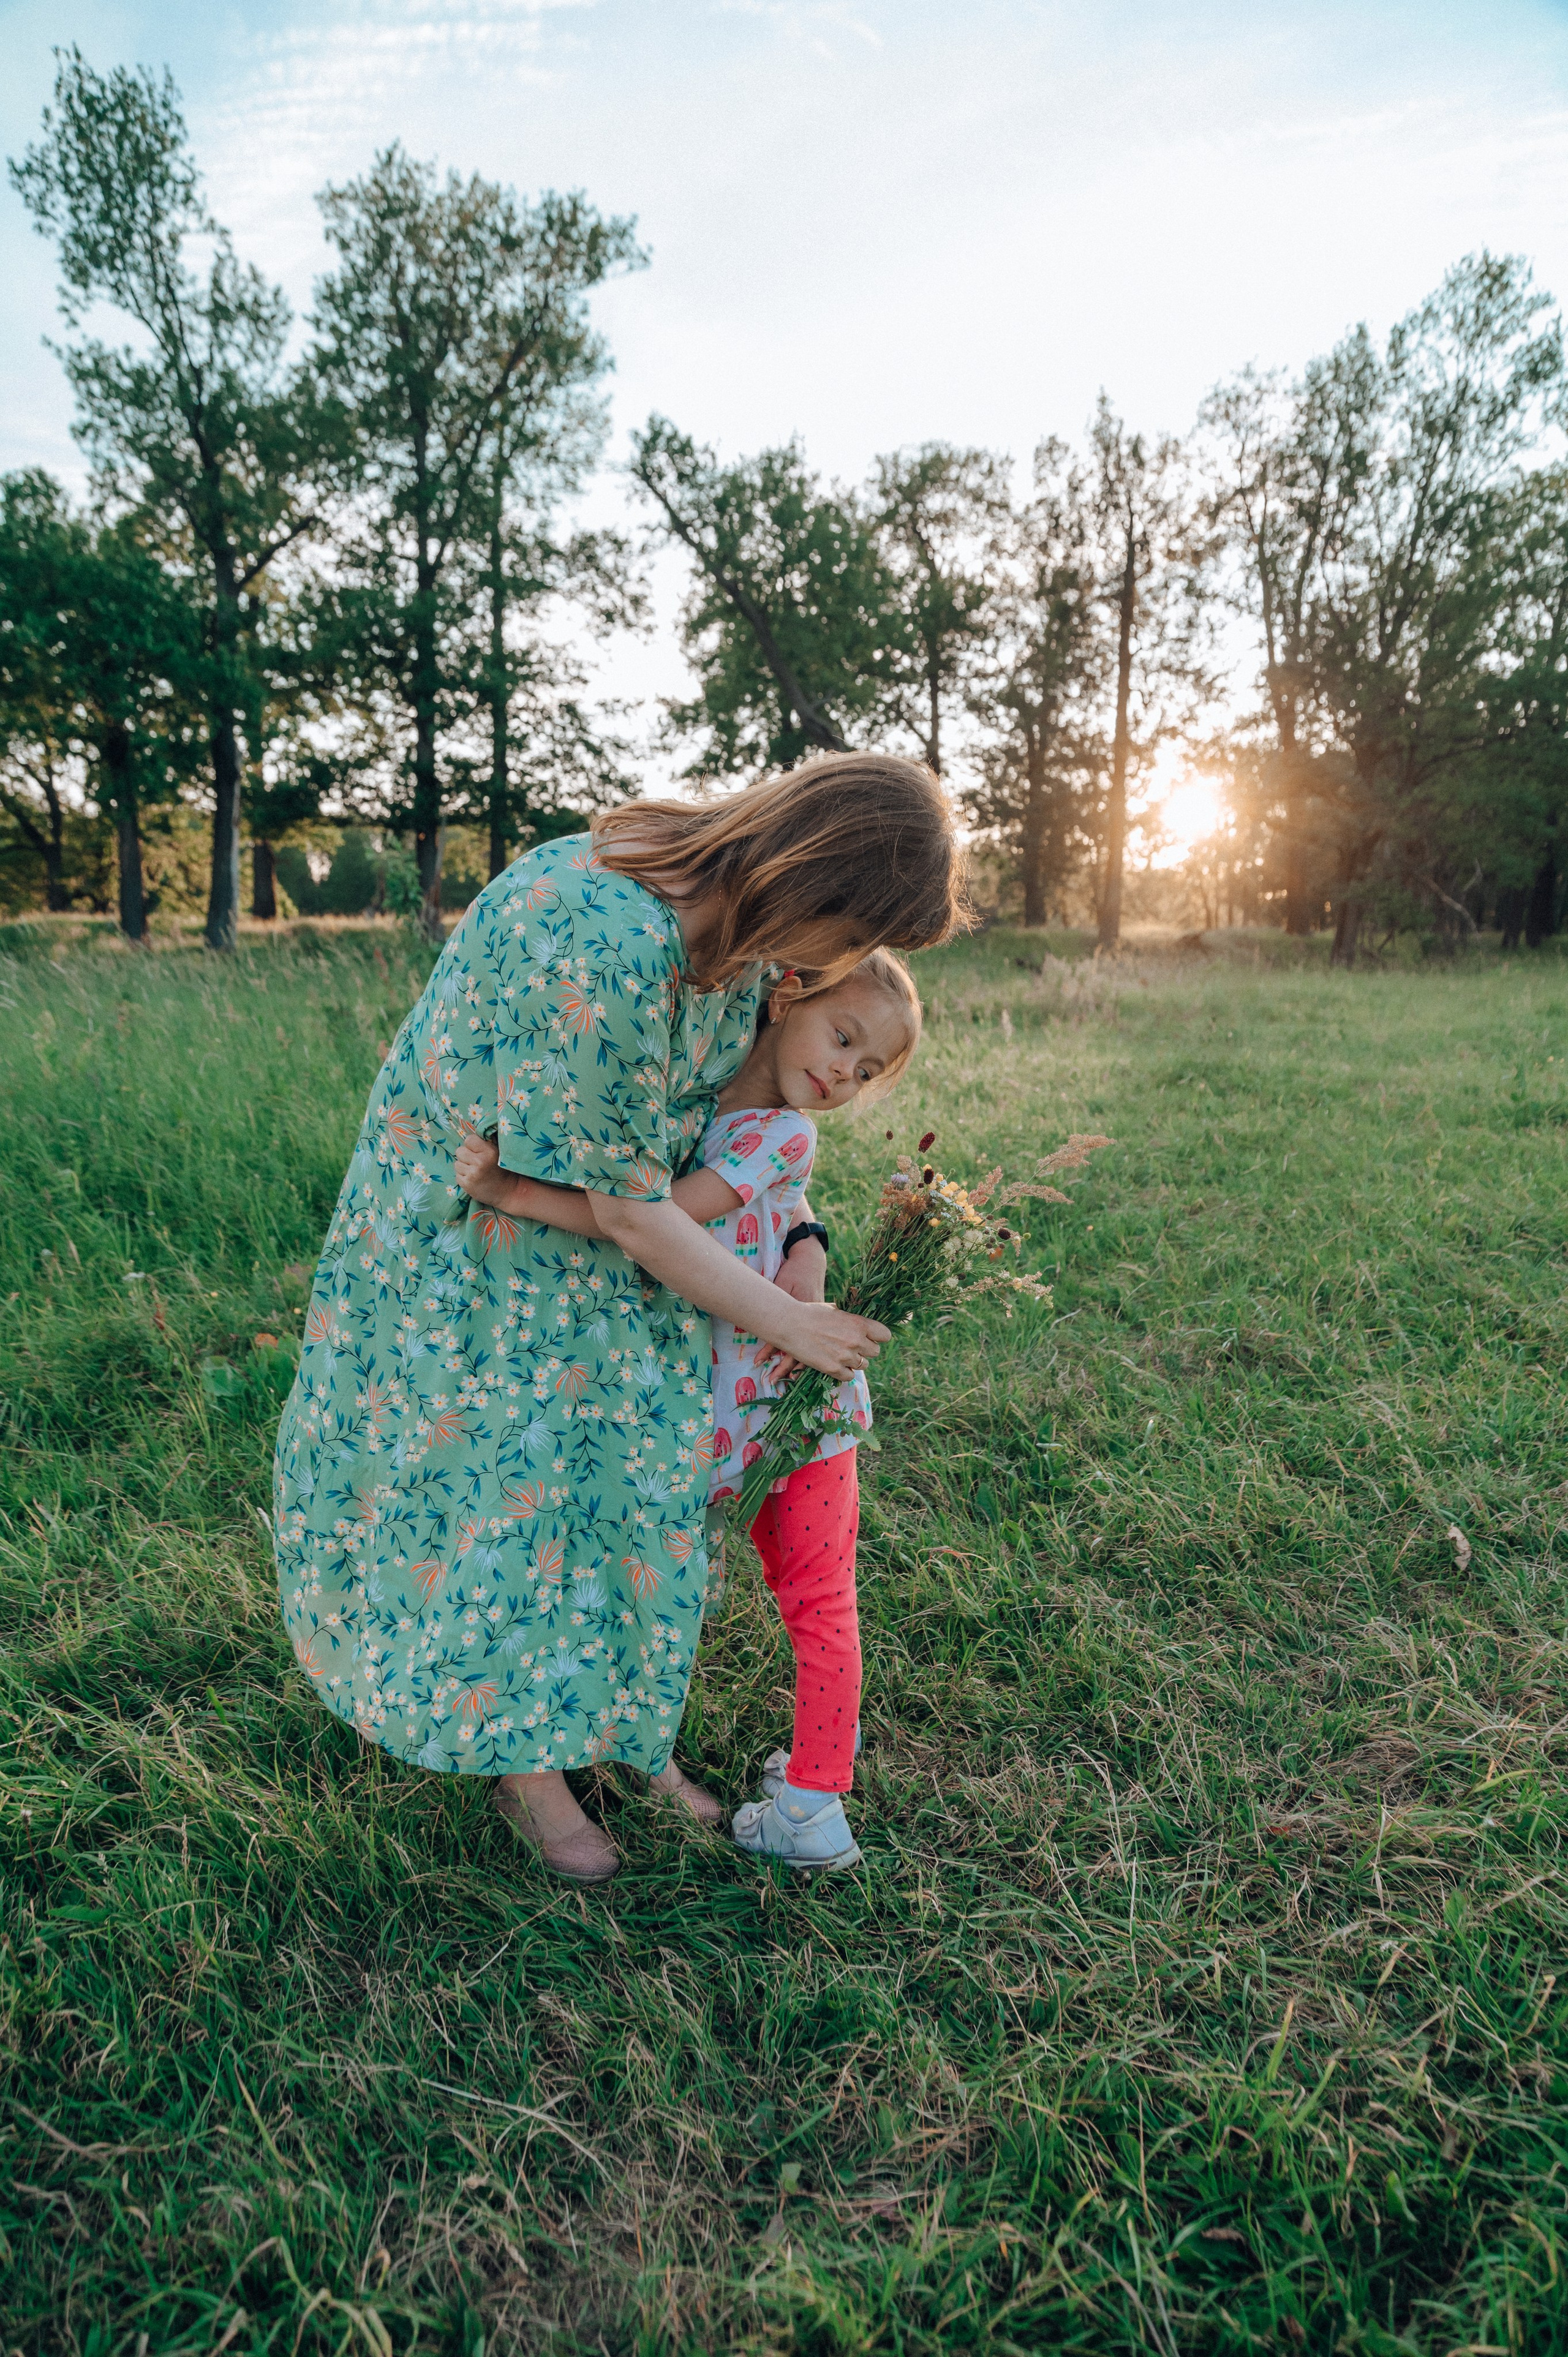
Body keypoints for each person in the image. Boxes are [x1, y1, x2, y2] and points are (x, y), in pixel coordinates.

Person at [273, 753, 964, 1883]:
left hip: (605, 1245)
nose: (836, 969)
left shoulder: (749, 948)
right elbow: (631, 1211)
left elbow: (739, 1145)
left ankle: (610, 1729)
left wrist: (807, 1249)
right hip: (485, 1236)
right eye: (852, 933)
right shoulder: (600, 931)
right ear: (819, 878)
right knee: (513, 1484)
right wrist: (795, 1332)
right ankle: (525, 1767)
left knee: (629, 1478)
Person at [456, 947, 922, 1872]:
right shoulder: (697, 1085)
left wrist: (512, 1192)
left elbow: (653, 1211)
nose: (842, 1075)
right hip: (704, 1414)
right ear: (789, 994)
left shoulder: (780, 1131)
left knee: (817, 1597)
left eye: (866, 1070)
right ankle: (639, 1745)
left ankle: (816, 1797)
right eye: (843, 1038)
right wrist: (806, 1241)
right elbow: (780, 1205)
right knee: (668, 1585)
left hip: (789, 1406)